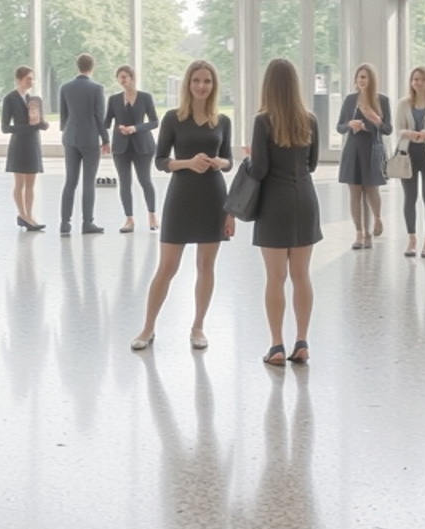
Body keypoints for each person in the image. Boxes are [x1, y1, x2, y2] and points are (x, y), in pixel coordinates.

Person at [132, 60, 235, 353]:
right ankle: (148, 326)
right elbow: (161, 160)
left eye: (207, 81)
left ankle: (198, 326)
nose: (202, 86)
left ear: (214, 86)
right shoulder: (173, 118)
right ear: (187, 84)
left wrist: (219, 162)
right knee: (167, 266)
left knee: (206, 265)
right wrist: (189, 163)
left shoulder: (222, 121)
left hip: (214, 196)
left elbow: (229, 160)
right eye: (196, 81)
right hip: (181, 195)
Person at [251, 58, 324, 364]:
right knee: (302, 274)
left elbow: (260, 169)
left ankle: (277, 345)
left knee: (275, 277)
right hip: (305, 198)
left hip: (274, 203)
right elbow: (313, 164)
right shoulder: (309, 119)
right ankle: (303, 341)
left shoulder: (263, 121)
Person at [334, 64, 389, 246]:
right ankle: (360, 233)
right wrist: (350, 124)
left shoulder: (382, 100)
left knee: (371, 189)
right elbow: (340, 127)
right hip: (353, 149)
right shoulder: (350, 100)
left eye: (364, 77)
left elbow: (388, 129)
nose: (361, 80)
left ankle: (377, 218)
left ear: (371, 79)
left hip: (372, 149)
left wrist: (377, 121)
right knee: (355, 192)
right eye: (359, 77)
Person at [55, 54, 108, 235]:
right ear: (93, 67)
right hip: (90, 139)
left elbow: (63, 115)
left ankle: (65, 223)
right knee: (88, 182)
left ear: (77, 66)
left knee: (70, 180)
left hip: (70, 138)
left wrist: (67, 132)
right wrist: (106, 139)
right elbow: (99, 117)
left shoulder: (65, 88)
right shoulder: (97, 88)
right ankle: (87, 222)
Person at [396, 67, 425, 259]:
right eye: (415, 79)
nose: (417, 83)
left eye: (422, 79)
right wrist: (406, 133)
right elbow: (398, 128)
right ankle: (412, 239)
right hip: (408, 155)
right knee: (410, 197)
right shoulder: (403, 104)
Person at [106, 65, 159, 234]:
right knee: (124, 182)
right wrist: (110, 133)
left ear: (132, 78)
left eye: (125, 77)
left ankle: (152, 215)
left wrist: (135, 128)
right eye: (120, 77)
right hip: (121, 146)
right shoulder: (114, 99)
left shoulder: (145, 97)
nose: (122, 80)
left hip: (142, 145)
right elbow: (106, 122)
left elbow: (154, 122)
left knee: (145, 180)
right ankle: (129, 219)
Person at [1, 67, 46, 232]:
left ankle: (29, 215)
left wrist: (40, 123)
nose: (31, 82)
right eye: (28, 79)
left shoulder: (33, 99)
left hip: (33, 143)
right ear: (19, 79)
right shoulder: (10, 99)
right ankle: (22, 214)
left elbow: (41, 122)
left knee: (31, 183)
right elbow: (5, 127)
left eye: (32, 79)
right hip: (19, 144)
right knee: (19, 183)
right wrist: (26, 128)